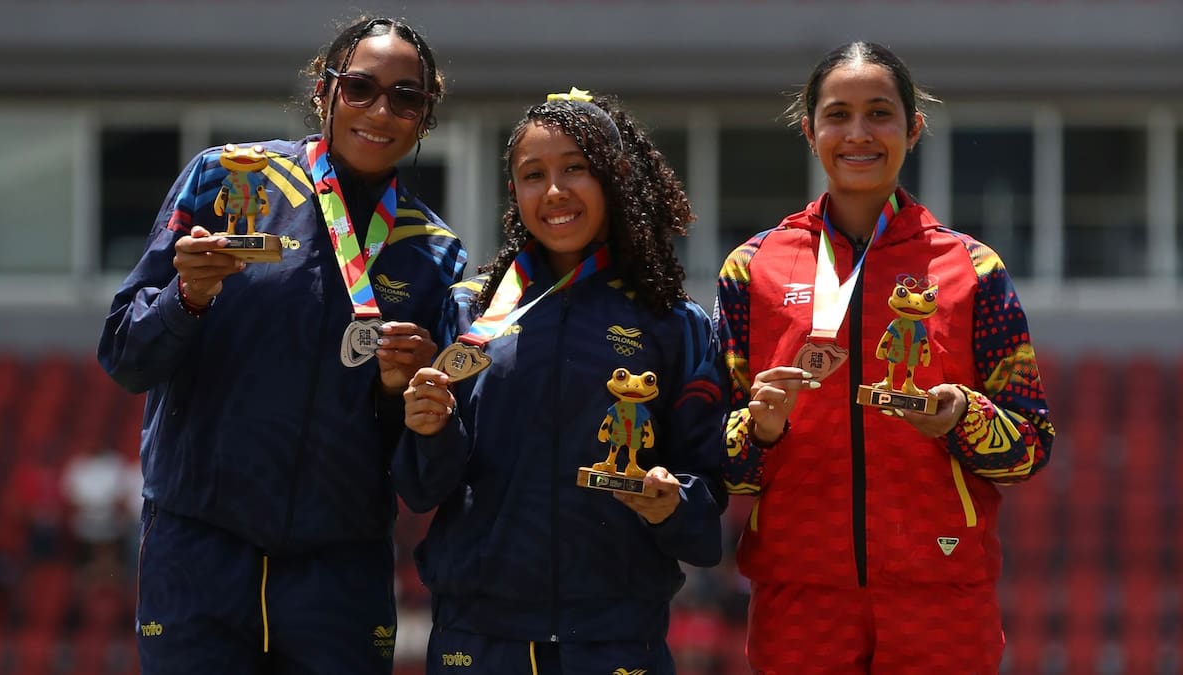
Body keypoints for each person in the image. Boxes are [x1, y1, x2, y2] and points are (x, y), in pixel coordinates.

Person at [97, 16, 466, 674]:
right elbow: (125, 355)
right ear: (324, 93)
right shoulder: (226, 180)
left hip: (339, 573)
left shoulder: (433, 251)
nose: (381, 111)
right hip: (199, 552)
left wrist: (402, 392)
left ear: (425, 116)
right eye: (360, 88)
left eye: (406, 97)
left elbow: (422, 474)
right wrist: (187, 298)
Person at [716, 42, 1055, 674]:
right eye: (838, 114)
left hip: (942, 591)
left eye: (879, 113)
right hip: (799, 594)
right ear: (809, 128)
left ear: (913, 128)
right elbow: (720, 464)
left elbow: (1030, 448)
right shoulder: (752, 270)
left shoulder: (972, 270)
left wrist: (963, 417)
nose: (858, 134)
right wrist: (761, 428)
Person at [395, 88, 727, 675]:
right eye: (533, 174)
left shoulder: (675, 324)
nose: (554, 191)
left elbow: (704, 523)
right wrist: (428, 429)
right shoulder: (468, 313)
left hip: (617, 640)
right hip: (476, 637)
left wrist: (669, 503)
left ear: (616, 178)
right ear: (513, 191)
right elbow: (424, 489)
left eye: (576, 168)